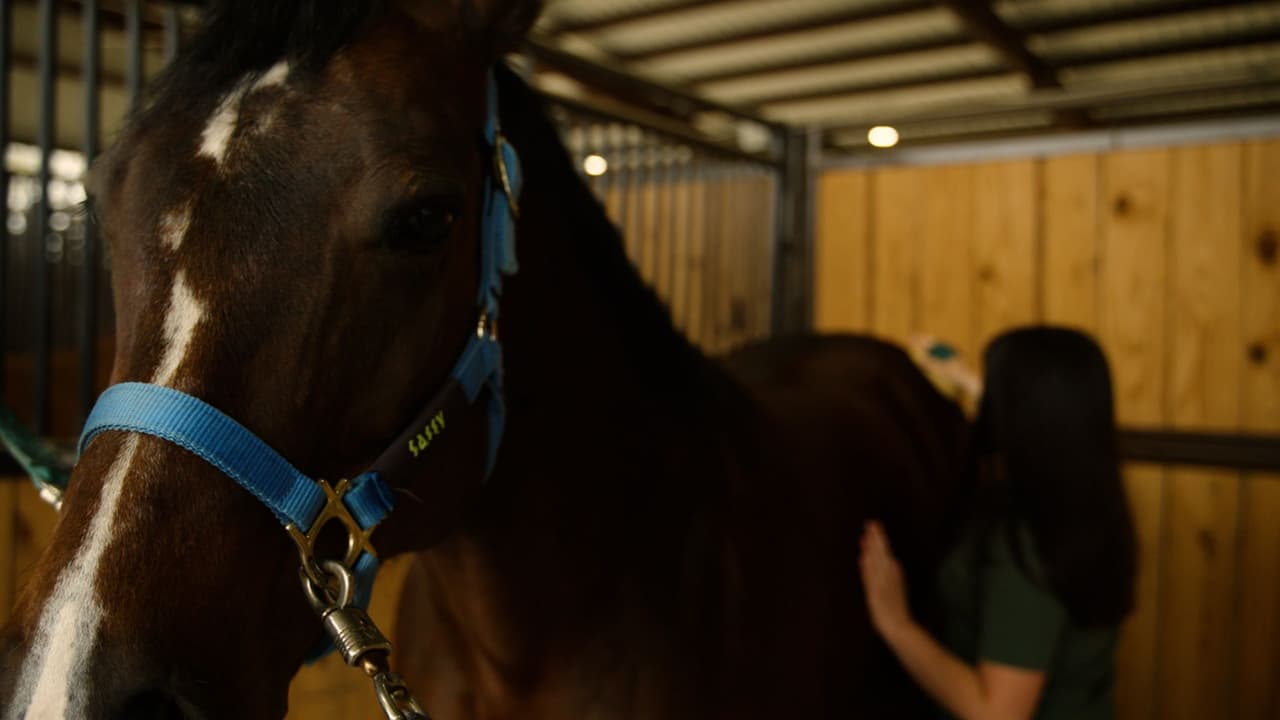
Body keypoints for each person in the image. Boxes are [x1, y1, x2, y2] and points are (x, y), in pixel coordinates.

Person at [860, 326, 1137, 720]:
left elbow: (998, 714)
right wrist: (965, 378)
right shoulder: (1089, 503)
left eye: (997, 395)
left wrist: (897, 626)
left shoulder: (1030, 548)